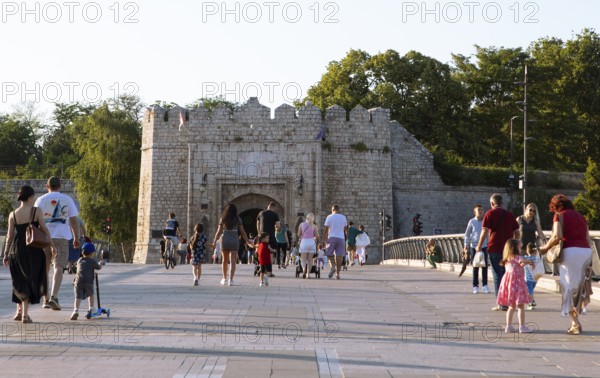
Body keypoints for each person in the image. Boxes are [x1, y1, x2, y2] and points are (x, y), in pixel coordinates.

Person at [539, 194, 593, 335]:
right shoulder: (581, 217)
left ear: (556, 207)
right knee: (580, 287)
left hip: (571, 253)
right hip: (586, 252)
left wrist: (545, 248)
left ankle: (575, 323)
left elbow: (557, 236)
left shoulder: (559, 216)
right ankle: (576, 318)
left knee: (568, 288)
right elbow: (587, 238)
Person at [2, 185, 50, 324]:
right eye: (33, 196)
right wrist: (51, 245)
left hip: (17, 249)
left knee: (19, 279)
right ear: (30, 197)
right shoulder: (36, 211)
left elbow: (10, 236)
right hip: (33, 248)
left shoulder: (13, 214)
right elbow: (44, 228)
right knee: (31, 278)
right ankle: (25, 315)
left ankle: (19, 311)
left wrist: (5, 253)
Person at [34, 176, 80, 311]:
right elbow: (73, 220)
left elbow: (35, 220)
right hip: (61, 237)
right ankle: (54, 296)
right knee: (59, 266)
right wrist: (76, 237)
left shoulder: (40, 200)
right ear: (60, 186)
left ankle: (45, 298)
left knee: (45, 268)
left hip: (44, 238)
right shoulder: (67, 199)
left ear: (47, 186)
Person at [475, 194, 520, 311]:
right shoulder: (509, 215)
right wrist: (515, 244)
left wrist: (479, 246)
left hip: (494, 248)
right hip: (509, 250)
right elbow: (517, 232)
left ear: (492, 203)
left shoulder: (489, 213)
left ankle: (501, 302)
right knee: (507, 274)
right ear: (502, 203)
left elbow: (484, 231)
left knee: (497, 275)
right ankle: (508, 301)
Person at [497, 239, 534, 333]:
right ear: (514, 248)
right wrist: (530, 261)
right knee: (520, 306)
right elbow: (522, 262)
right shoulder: (517, 257)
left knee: (511, 306)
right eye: (519, 246)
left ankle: (508, 326)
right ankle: (522, 326)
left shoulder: (507, 258)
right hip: (518, 284)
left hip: (510, 286)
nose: (520, 248)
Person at [213, 203, 252, 286]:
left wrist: (214, 240)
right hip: (234, 239)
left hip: (225, 239)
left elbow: (219, 231)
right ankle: (231, 279)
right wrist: (248, 241)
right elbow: (242, 232)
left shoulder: (223, 219)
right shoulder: (238, 219)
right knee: (233, 261)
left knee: (224, 260)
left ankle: (224, 278)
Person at [70, 242, 105, 320]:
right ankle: (91, 308)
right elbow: (98, 267)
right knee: (90, 294)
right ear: (92, 253)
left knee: (78, 297)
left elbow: (77, 269)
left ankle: (75, 310)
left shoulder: (79, 260)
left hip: (78, 282)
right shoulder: (91, 261)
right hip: (88, 281)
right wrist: (101, 263)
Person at [463, 204, 490, 294]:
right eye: (478, 210)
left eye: (482, 210)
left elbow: (488, 233)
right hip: (474, 246)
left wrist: (489, 244)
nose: (480, 212)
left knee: (484, 266)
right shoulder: (471, 221)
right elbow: (467, 234)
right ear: (475, 212)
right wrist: (466, 245)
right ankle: (475, 286)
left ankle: (485, 285)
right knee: (475, 266)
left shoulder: (485, 221)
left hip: (484, 245)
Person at [517, 203, 550, 273]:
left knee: (530, 269)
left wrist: (545, 241)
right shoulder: (520, 219)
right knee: (520, 267)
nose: (531, 212)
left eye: (534, 211)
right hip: (521, 247)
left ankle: (527, 283)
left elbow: (540, 232)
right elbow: (514, 231)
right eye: (530, 210)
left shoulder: (535, 221)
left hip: (531, 249)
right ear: (526, 209)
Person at [323, 204, 348, 279]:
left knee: (329, 253)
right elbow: (346, 229)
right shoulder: (343, 217)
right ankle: (337, 274)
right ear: (338, 210)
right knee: (339, 257)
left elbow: (326, 229)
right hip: (341, 238)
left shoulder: (329, 217)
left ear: (332, 210)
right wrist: (346, 238)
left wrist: (323, 239)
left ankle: (333, 266)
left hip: (332, 237)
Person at [256, 202, 280, 276]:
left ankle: (261, 269)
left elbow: (257, 223)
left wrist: (259, 233)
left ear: (268, 206)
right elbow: (278, 226)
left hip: (262, 236)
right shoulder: (275, 214)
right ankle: (269, 271)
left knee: (261, 252)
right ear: (274, 208)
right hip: (270, 236)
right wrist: (277, 229)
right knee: (271, 253)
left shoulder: (261, 213)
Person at [297, 212, 319, 279]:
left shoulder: (301, 224)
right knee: (310, 260)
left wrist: (302, 236)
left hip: (304, 242)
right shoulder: (314, 226)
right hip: (311, 243)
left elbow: (298, 235)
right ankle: (308, 274)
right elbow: (317, 236)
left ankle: (303, 270)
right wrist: (314, 237)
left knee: (303, 259)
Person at [523, 242, 542, 310]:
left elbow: (521, 260)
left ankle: (531, 303)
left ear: (527, 250)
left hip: (528, 279)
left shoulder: (526, 258)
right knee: (531, 291)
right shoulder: (537, 259)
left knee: (529, 291)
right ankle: (532, 301)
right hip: (535, 278)